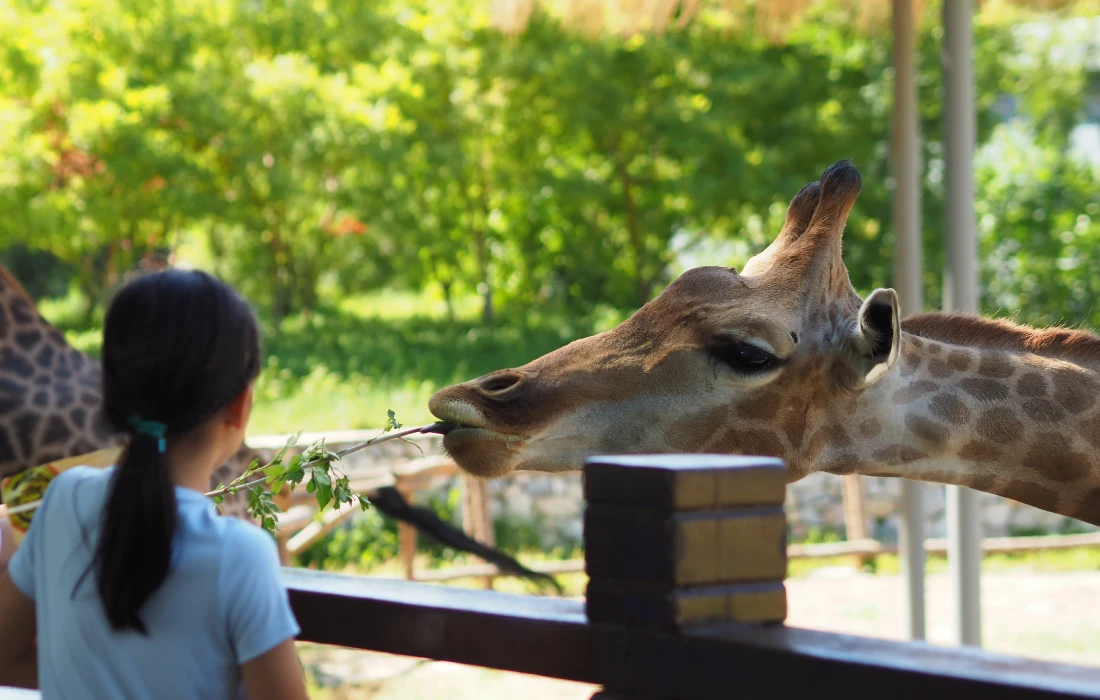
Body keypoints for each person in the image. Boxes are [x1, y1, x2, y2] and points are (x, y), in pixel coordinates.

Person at [0, 270, 308, 699]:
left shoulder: (62, 502)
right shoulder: (241, 554)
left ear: (107, 390)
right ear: (240, 406)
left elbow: (4, 656)